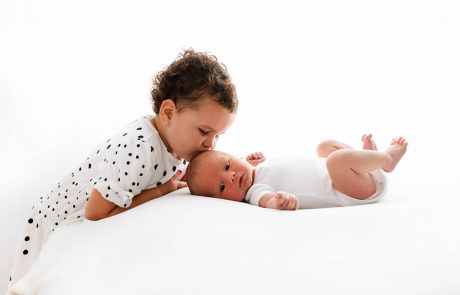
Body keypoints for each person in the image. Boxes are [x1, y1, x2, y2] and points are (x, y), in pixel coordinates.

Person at [7, 49, 238, 291]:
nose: (210, 144)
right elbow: (96, 212)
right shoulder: (140, 149)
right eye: (204, 132)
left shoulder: (177, 142)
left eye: (218, 136)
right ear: (168, 113)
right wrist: (162, 191)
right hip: (50, 223)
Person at [186, 135, 408, 210]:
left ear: (237, 157)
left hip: (347, 174)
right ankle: (386, 160)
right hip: (349, 190)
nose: (231, 177)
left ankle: (369, 162)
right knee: (336, 161)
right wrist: (277, 201)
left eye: (227, 166)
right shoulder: (255, 191)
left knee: (325, 147)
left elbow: (280, 169)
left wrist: (259, 162)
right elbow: (266, 200)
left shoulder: (260, 169)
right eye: (222, 186)